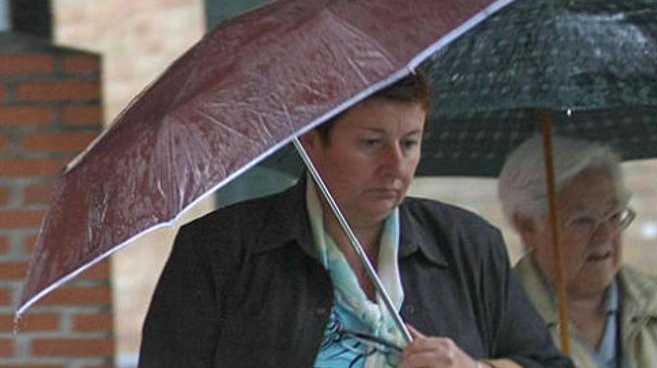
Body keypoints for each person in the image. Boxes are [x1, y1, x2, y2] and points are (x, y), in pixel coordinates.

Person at [139, 71, 572, 368]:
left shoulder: (467, 245)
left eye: (411, 142)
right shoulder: (221, 252)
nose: (396, 166)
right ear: (312, 142)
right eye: (371, 143)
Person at [497, 134, 657, 368]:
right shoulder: (496, 323)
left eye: (613, 216)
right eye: (582, 220)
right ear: (526, 224)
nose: (604, 236)